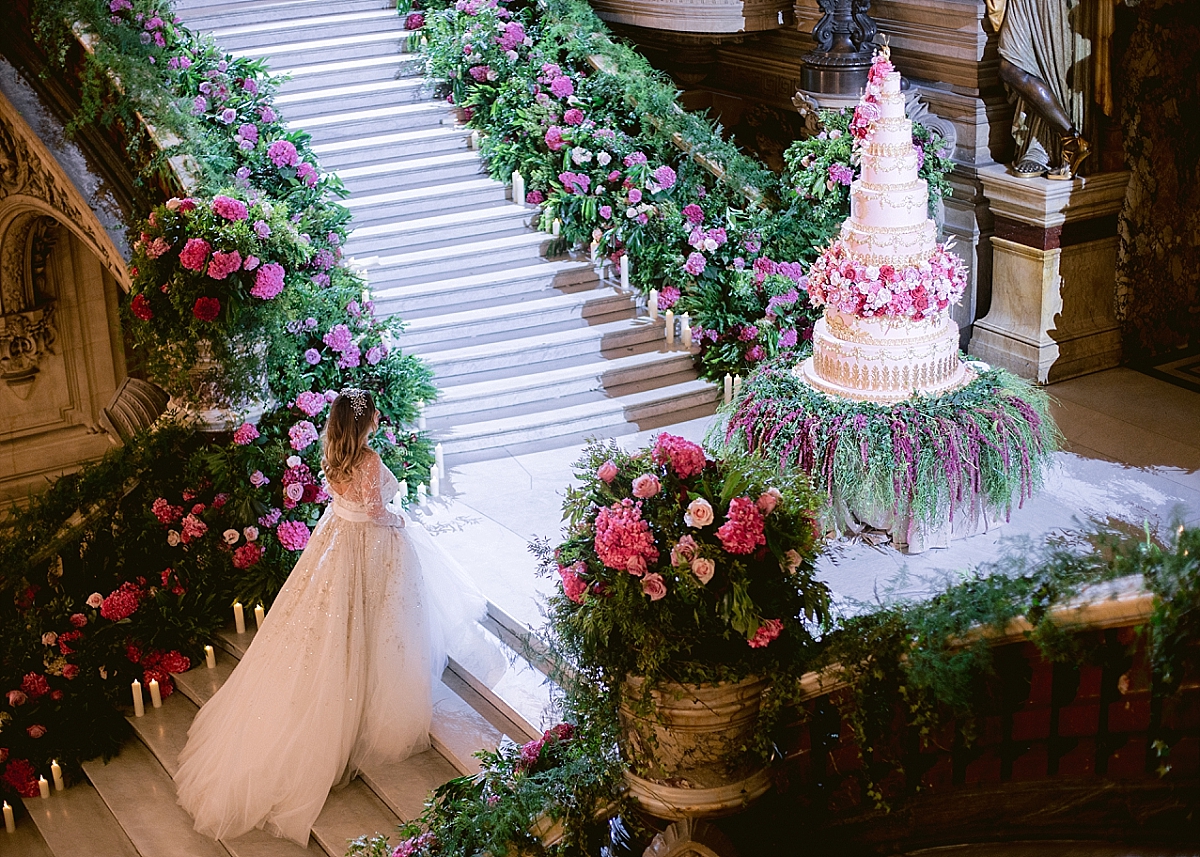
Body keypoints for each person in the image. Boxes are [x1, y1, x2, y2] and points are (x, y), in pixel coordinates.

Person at [174, 388, 486, 845]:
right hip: (368, 546)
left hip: (338, 539)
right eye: (375, 412)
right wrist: (401, 524)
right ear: (363, 423)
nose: (380, 416)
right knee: (372, 621)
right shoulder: (370, 462)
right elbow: (378, 513)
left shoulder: (335, 458)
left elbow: (350, 505)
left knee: (337, 624)